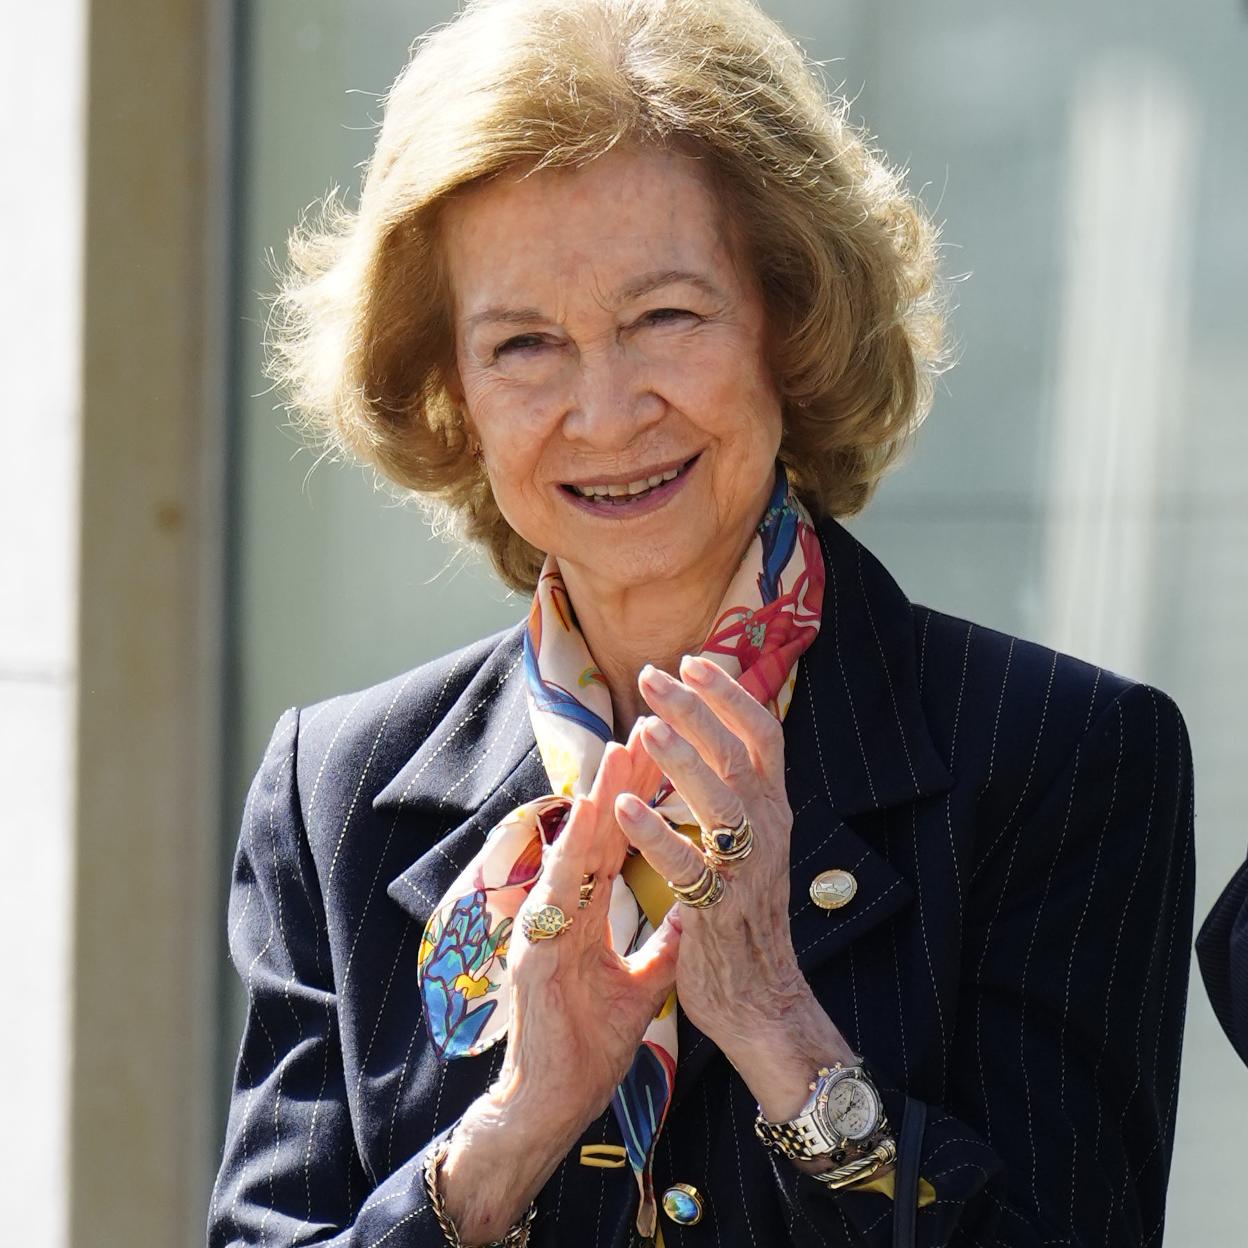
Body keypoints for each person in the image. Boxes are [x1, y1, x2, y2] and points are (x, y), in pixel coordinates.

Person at [207, 1, 1196, 1244]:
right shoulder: (335, 796)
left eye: (665, 318)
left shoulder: (1064, 760)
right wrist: (509, 1136)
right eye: (524, 344)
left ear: (791, 321)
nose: (607, 411)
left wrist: (785, 1035)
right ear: (451, 388)